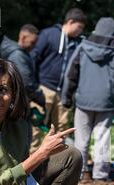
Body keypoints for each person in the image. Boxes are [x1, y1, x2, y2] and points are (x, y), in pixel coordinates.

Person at [62, 17, 114, 183]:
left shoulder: (82, 47)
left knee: (82, 139)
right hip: (106, 102)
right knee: (103, 138)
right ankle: (100, 175)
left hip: (83, 101)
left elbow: (70, 74)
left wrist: (66, 97)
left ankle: (78, 174)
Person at [30, 8, 86, 153]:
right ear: (70, 22)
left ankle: (59, 163)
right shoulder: (49, 34)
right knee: (35, 126)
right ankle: (31, 161)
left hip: (65, 93)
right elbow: (34, 58)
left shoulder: (79, 43)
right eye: (80, 27)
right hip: (44, 89)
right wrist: (34, 85)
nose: (81, 30)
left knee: (62, 129)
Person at [0, 24, 46, 111]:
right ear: (23, 38)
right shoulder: (18, 56)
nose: (34, 46)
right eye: (32, 42)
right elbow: (26, 83)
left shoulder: (21, 54)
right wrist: (39, 97)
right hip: (17, 103)